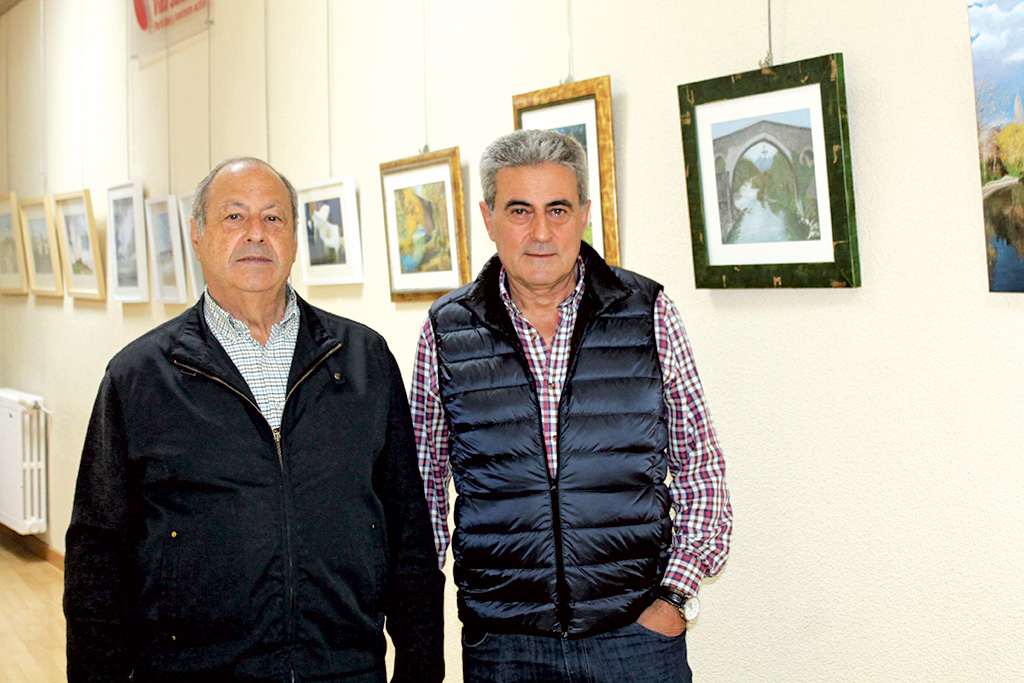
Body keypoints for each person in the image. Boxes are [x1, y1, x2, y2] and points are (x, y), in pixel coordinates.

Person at [64, 157, 444, 682]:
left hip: (343, 669)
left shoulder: (361, 359)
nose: (255, 235)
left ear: (294, 238)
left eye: (273, 219)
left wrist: (422, 669)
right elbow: (97, 557)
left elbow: (408, 536)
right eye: (234, 217)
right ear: (196, 235)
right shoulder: (139, 377)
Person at [410, 130, 733, 682]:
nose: (540, 232)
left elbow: (702, 469)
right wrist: (415, 624)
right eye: (519, 210)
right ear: (488, 218)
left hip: (635, 640)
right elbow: (423, 493)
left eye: (557, 209)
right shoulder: (446, 331)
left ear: (584, 213)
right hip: (504, 647)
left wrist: (673, 600)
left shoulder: (649, 313)